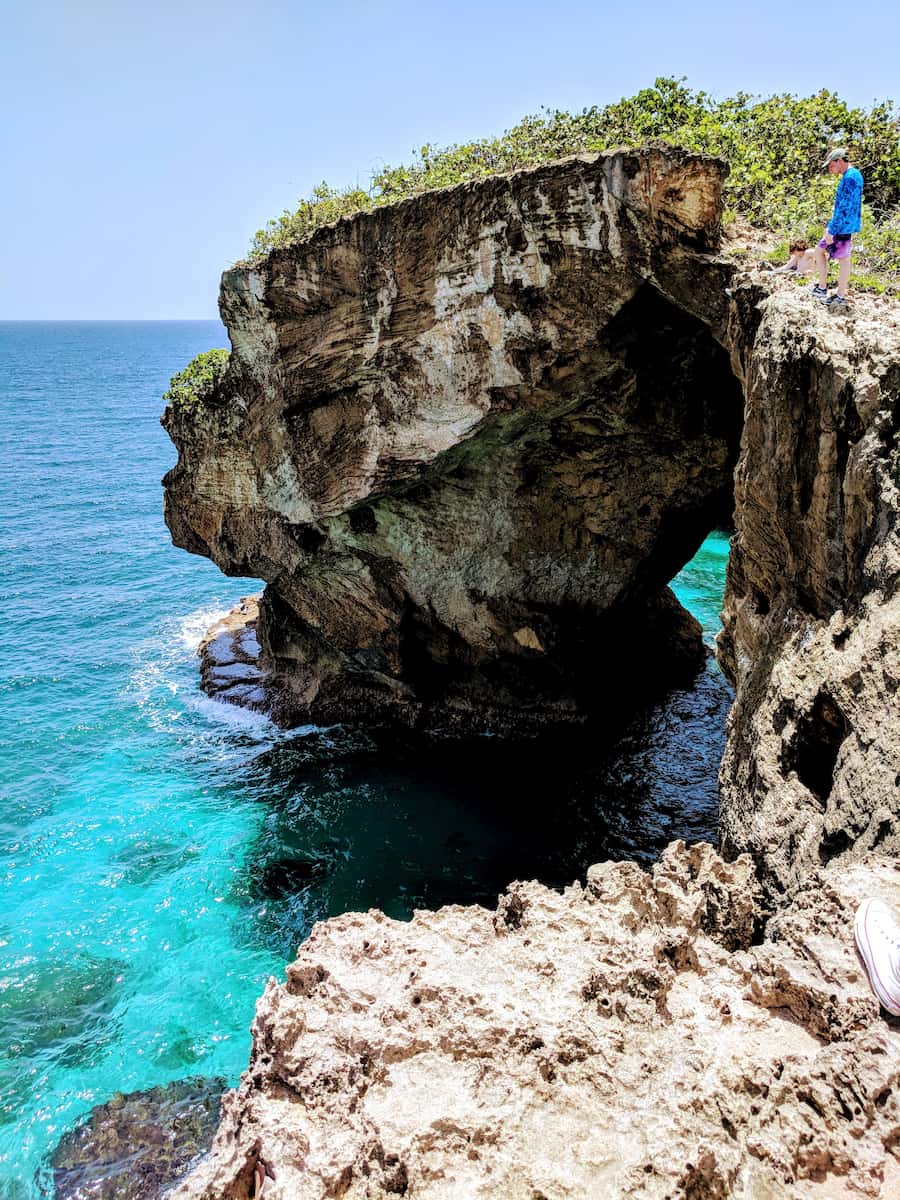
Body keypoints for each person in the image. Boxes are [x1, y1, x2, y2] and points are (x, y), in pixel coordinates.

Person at [811, 148, 864, 309]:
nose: (830, 169)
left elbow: (844, 207)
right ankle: (826, 289)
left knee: (841, 259)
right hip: (845, 225)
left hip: (842, 227)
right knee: (826, 253)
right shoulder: (854, 175)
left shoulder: (850, 177)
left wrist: (831, 230)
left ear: (839, 160)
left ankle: (837, 294)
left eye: (831, 165)